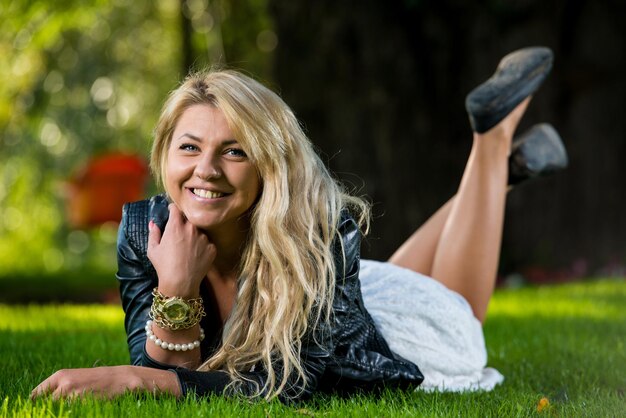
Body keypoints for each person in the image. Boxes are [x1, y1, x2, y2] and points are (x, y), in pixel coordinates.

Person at [31, 46, 567, 401]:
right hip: (351, 298)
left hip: (363, 343)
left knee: (457, 310)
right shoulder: (143, 234)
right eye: (188, 147)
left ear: (269, 163)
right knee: (406, 282)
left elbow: (291, 383)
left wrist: (135, 379)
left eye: (234, 152)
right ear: (163, 156)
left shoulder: (317, 234)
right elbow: (174, 366)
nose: (206, 171)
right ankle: (498, 177)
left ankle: (491, 144)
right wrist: (175, 284)